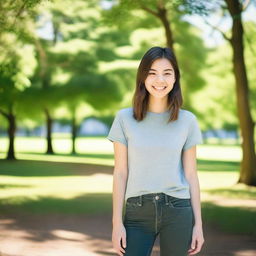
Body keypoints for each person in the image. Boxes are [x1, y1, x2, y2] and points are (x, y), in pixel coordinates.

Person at [107, 46, 205, 256]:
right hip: (137, 211)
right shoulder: (124, 119)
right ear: (143, 77)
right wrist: (117, 223)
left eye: (167, 73)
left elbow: (191, 175)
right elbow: (120, 172)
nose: (160, 80)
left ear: (175, 78)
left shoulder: (187, 120)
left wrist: (198, 225)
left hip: (178, 210)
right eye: (152, 73)